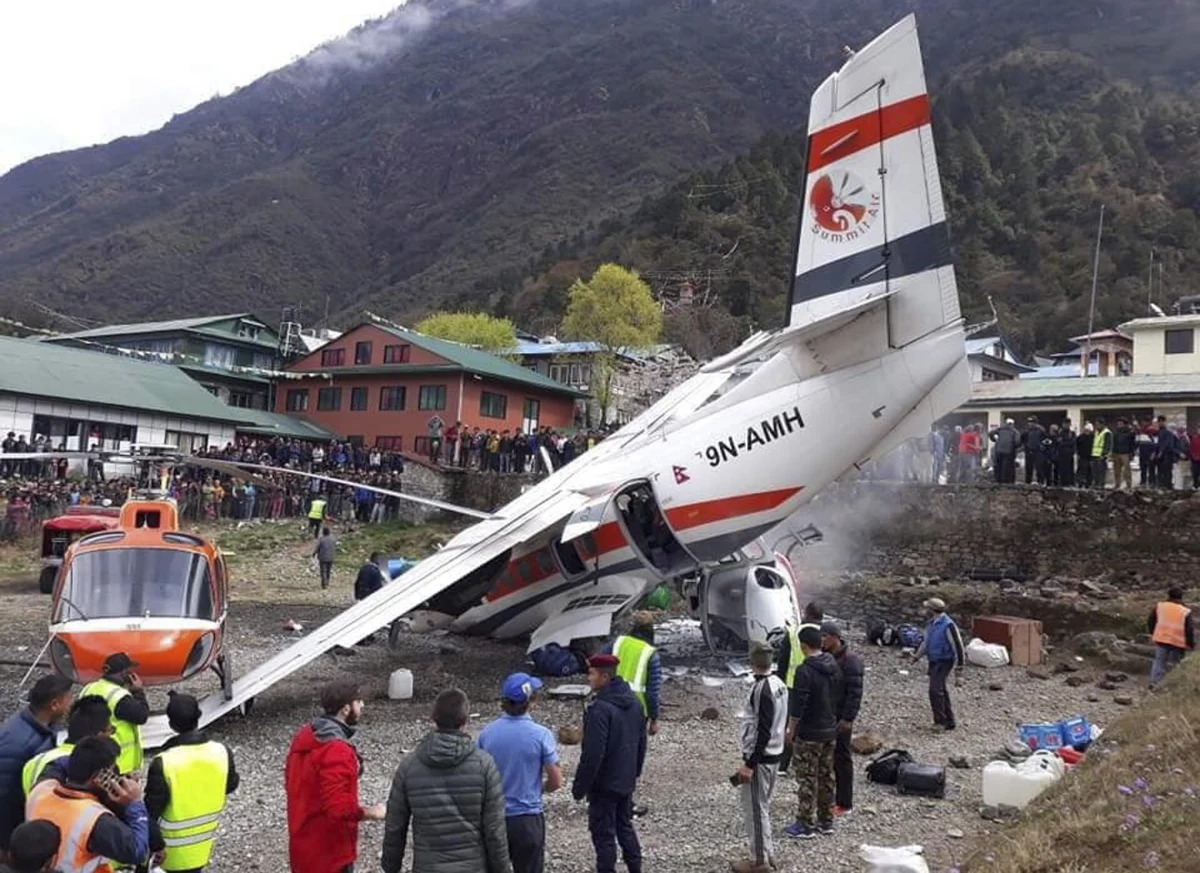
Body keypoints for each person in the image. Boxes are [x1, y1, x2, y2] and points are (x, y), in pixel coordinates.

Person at [382, 688, 510, 873]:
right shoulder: (484, 765)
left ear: (434, 718)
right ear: (465, 720)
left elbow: (395, 827)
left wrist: (390, 867)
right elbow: (495, 830)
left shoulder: (409, 766)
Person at [285, 680, 386, 873]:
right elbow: (339, 808)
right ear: (346, 708)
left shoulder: (304, 737)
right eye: (359, 701)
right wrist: (373, 812)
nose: (362, 705)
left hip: (302, 846)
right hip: (329, 855)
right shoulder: (337, 750)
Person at [145, 693, 240, 873]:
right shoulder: (222, 751)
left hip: (167, 852)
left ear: (171, 723)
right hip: (202, 845)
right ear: (199, 715)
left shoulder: (164, 762)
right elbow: (230, 785)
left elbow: (150, 812)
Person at [477, 675, 562, 873]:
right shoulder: (541, 735)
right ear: (531, 701)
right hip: (527, 818)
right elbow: (556, 781)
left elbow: (476, 774)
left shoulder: (487, 734)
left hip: (494, 816)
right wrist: (540, 788)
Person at [25, 736, 150, 871]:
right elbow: (137, 851)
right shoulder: (95, 820)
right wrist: (134, 803)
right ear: (98, 778)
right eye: (112, 770)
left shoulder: (41, 790)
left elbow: (57, 764)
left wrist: (82, 761)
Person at [573, 654, 644, 873]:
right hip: (625, 779)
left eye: (592, 673)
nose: (588, 678)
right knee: (624, 826)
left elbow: (593, 754)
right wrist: (635, 772)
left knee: (603, 835)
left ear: (604, 677)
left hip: (604, 784)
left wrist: (580, 787)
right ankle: (635, 868)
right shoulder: (633, 702)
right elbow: (642, 742)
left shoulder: (600, 709)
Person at [0, 674, 73, 855]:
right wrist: (7, 844)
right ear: (54, 705)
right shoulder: (18, 743)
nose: (70, 705)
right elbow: (4, 795)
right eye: (68, 700)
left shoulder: (44, 727)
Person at [731, 642, 788, 873]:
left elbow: (762, 730)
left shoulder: (761, 689)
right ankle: (767, 853)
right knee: (762, 806)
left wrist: (749, 764)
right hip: (775, 754)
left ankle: (759, 861)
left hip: (762, 758)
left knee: (755, 810)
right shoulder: (779, 684)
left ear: (752, 662)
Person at [784, 627, 840, 840]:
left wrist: (791, 729)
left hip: (809, 732)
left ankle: (805, 823)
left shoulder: (804, 671)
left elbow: (799, 704)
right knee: (826, 775)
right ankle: (826, 820)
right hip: (828, 729)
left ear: (803, 646)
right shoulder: (833, 665)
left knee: (807, 777)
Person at [602, 614, 661, 817]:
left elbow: (597, 664)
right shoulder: (650, 653)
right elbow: (652, 692)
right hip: (635, 712)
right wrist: (654, 718)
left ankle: (603, 796)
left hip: (608, 704)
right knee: (631, 758)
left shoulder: (616, 643)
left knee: (608, 751)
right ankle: (625, 803)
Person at [22, 696, 112, 796]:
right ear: (99, 735)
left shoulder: (36, 761)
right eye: (111, 730)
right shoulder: (87, 765)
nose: (112, 736)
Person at [773, 602, 823, 775]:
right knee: (814, 723)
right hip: (819, 686)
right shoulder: (826, 634)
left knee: (789, 725)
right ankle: (813, 762)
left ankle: (783, 764)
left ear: (806, 613)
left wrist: (778, 684)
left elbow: (782, 662)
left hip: (792, 685)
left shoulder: (793, 632)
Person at [820, 622, 864, 815]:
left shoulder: (850, 660)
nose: (821, 640)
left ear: (834, 637)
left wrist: (848, 718)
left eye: (824, 636)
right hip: (826, 715)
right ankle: (827, 797)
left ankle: (844, 802)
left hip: (841, 717)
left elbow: (855, 692)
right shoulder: (827, 657)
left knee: (842, 758)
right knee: (826, 758)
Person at [80, 653, 149, 776]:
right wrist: (138, 692)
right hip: (118, 764)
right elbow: (141, 716)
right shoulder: (120, 696)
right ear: (124, 673)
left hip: (90, 758)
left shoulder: (88, 688)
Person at [912, 598, 965, 731]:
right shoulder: (931, 624)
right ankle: (949, 721)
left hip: (944, 661)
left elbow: (958, 647)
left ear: (932, 610)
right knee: (941, 690)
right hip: (934, 660)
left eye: (927, 609)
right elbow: (926, 642)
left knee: (935, 691)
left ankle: (940, 722)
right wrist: (917, 656)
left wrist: (959, 671)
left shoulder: (948, 625)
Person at [1148, 586, 1195, 688]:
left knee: (1159, 662)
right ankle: (1172, 686)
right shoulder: (1185, 611)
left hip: (1161, 638)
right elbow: (1189, 629)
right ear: (1181, 597)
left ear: (1169, 595)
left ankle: (1155, 683)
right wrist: (1190, 644)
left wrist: (1153, 633)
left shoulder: (1160, 606)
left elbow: (1151, 620)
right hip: (1178, 641)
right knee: (1176, 665)